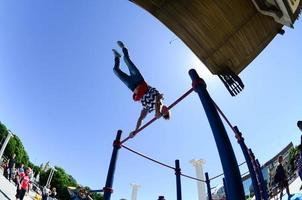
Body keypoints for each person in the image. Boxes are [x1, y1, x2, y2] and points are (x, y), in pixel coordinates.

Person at [112, 41, 170, 137]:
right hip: (138, 79)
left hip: (132, 86)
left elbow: (141, 118)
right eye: (167, 109)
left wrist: (135, 131)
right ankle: (124, 47)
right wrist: (157, 112)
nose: (165, 109)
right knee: (126, 59)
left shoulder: (147, 108)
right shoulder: (160, 97)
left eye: (164, 112)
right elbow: (157, 101)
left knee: (115, 71)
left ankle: (117, 57)